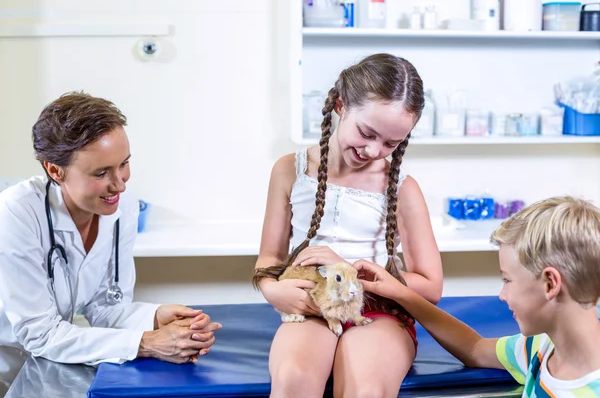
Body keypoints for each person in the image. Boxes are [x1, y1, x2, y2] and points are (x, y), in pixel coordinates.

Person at [252, 53, 443, 397]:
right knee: (293, 378)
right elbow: (269, 257)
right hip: (314, 305)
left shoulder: (403, 189)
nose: (373, 150)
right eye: (367, 132)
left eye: (391, 143)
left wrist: (349, 270)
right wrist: (273, 290)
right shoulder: (289, 170)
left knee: (364, 387)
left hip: (378, 312)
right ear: (341, 105)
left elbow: (431, 286)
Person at [0, 92, 222, 368]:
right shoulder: (16, 213)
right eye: (101, 173)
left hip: (53, 360)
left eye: (124, 164)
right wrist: (148, 343)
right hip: (6, 363)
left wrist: (157, 317)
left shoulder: (121, 207)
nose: (120, 185)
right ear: (55, 171)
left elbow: (104, 308)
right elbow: (39, 333)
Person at [354, 196, 600, 396]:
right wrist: (401, 293)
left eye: (507, 280)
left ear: (550, 284)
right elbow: (474, 348)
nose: (502, 295)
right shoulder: (542, 348)